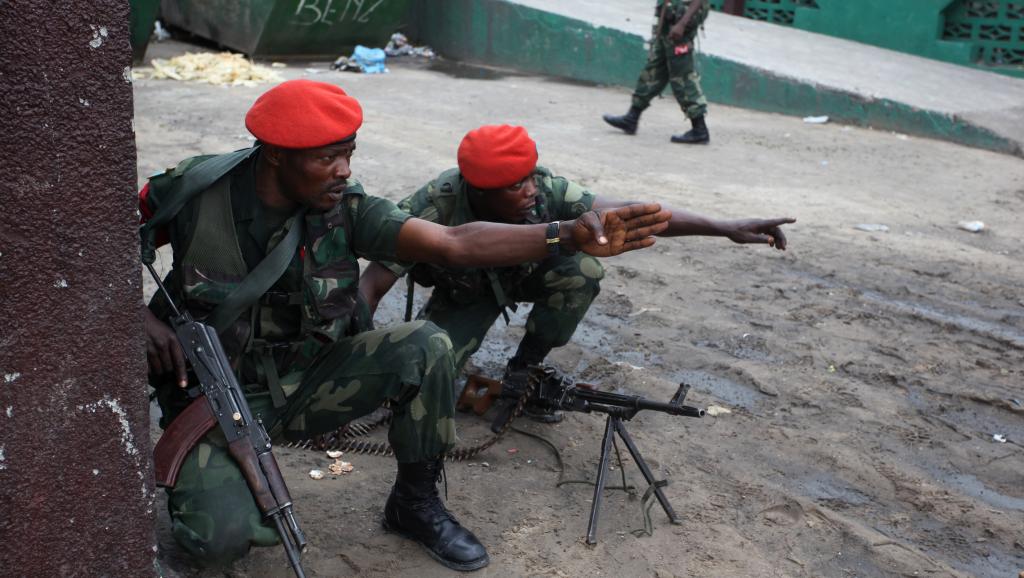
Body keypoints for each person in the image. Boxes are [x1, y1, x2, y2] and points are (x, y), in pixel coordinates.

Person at [139, 79, 670, 573]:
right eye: (328, 158)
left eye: (349, 154)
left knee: (425, 345)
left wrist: (563, 237)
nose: (344, 170)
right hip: (216, 393)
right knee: (219, 540)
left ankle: (414, 504)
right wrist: (136, 317)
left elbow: (453, 243)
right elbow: (96, 234)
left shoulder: (346, 207)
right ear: (275, 154)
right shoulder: (196, 189)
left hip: (313, 378)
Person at [359, 124, 794, 422]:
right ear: (479, 190)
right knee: (419, 380)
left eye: (531, 178)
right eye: (516, 186)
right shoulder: (433, 206)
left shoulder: (543, 190)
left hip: (525, 275)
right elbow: (374, 283)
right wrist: (349, 355)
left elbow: (632, 215)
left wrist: (724, 228)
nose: (531, 191)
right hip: (465, 292)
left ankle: (523, 374)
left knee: (582, 270)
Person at [603, 0, 712, 144]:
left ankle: (699, 129)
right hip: (670, 20)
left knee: (682, 76)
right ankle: (632, 117)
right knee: (655, 69)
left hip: (681, 21)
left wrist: (682, 23)